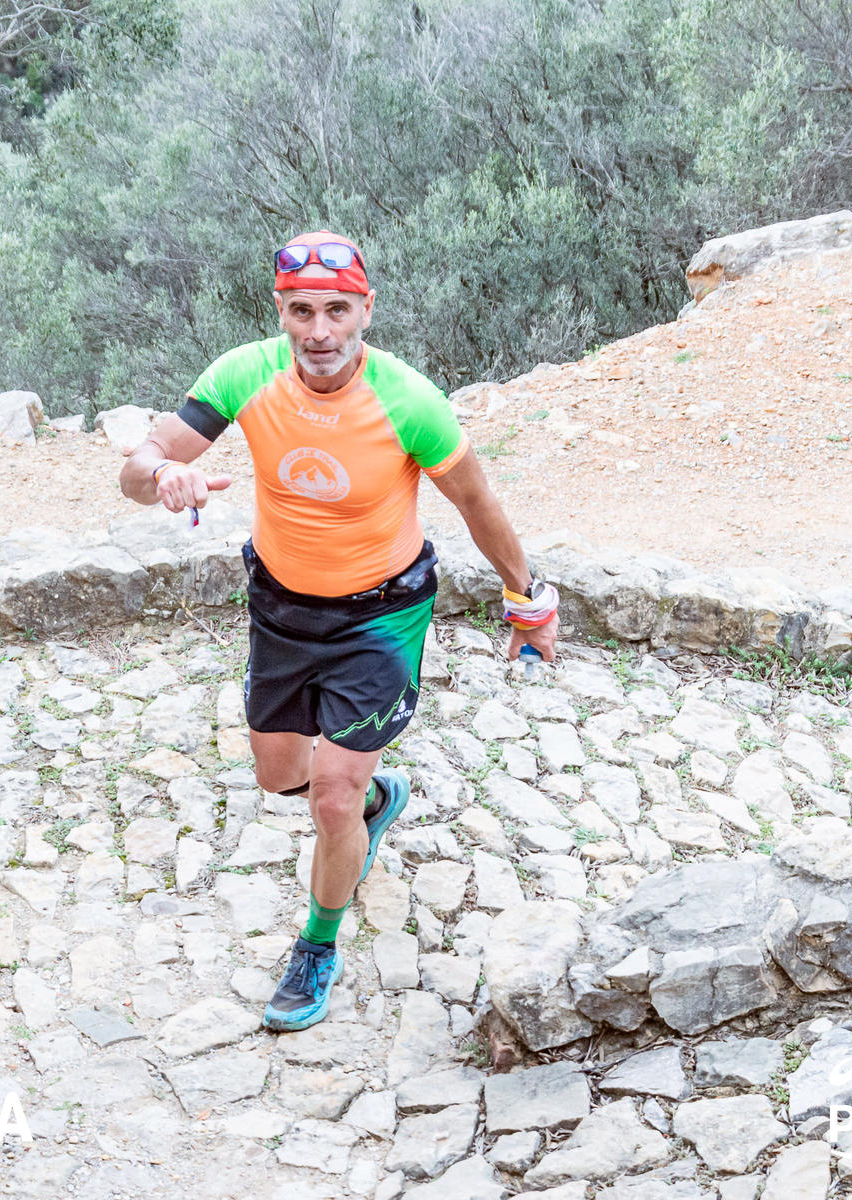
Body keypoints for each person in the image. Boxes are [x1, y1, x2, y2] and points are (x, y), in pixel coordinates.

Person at [119, 230, 559, 1031]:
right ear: (280, 311)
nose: (319, 331)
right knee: (278, 775)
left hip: (381, 618)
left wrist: (527, 601)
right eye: (301, 312)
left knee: (330, 799)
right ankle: (376, 801)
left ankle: (317, 943)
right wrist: (163, 474)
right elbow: (136, 469)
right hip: (282, 607)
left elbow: (476, 502)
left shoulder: (408, 401)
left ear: (366, 310)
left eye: (336, 311)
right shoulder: (244, 374)